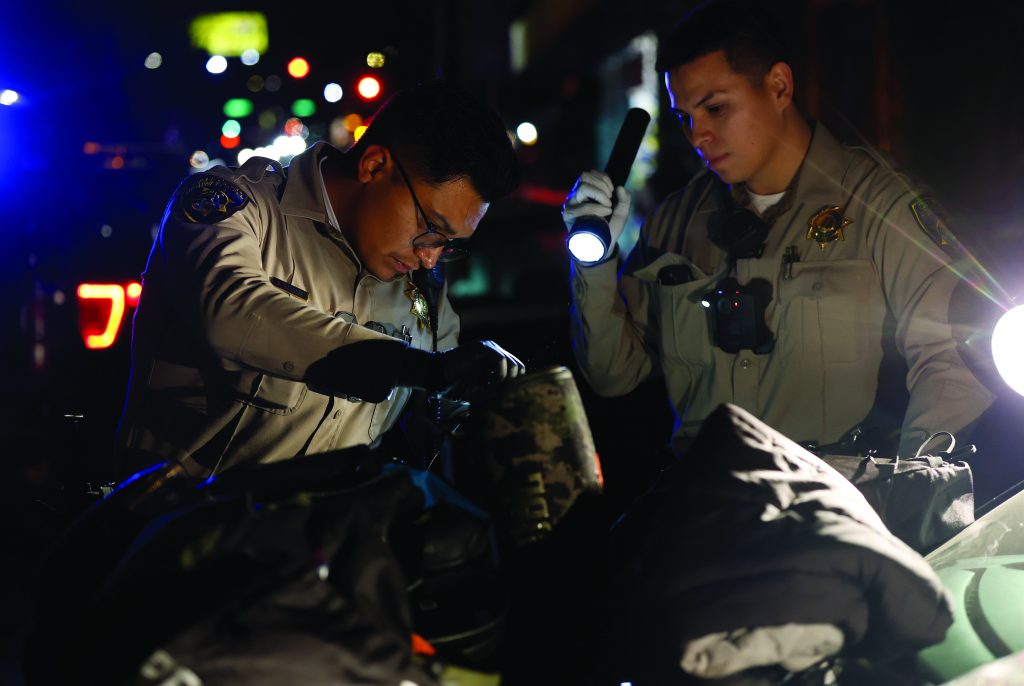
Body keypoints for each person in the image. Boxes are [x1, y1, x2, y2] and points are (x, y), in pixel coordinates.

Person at [563, 0, 993, 459]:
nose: (698, 135)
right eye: (684, 117)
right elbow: (613, 374)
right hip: (700, 503)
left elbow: (951, 359)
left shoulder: (875, 203)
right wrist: (595, 261)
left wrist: (913, 489)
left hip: (825, 503)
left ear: (779, 86)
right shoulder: (675, 220)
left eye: (715, 108)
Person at [114, 81, 525, 480]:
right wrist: (413, 366)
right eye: (431, 228)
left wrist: (495, 417)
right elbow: (231, 311)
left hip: (325, 542)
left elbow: (442, 402)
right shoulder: (237, 207)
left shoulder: (417, 285)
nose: (430, 256)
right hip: (179, 530)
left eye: (449, 243)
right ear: (374, 166)